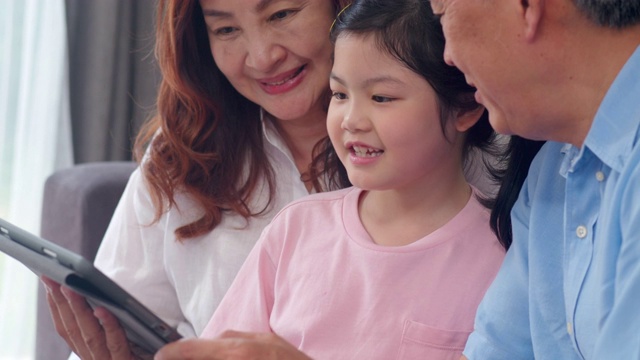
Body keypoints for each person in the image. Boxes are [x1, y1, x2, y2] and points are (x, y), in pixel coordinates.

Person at [155, 0, 506, 358]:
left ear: (464, 106)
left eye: (381, 97)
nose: (351, 120)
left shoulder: (501, 256)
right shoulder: (295, 229)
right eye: (339, 94)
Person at [41, 0, 352, 358]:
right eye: (226, 30)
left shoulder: (409, 148)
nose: (263, 57)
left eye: (281, 15)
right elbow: (128, 318)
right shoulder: (183, 155)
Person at [427, 0, 640, 358]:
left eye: (442, 13)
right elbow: (499, 347)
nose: (447, 55)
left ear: (526, 7)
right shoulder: (552, 169)